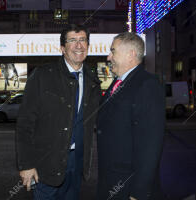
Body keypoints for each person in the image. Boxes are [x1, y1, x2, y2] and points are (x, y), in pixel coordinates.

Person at [16, 24, 101, 200]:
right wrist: (26, 164)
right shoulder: (42, 76)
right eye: (72, 40)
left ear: (88, 46)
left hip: (76, 164)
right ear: (62, 48)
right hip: (45, 165)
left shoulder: (93, 81)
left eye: (83, 40)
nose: (79, 45)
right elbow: (25, 123)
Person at [97, 32, 165, 200]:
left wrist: (138, 192)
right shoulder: (118, 82)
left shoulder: (147, 84)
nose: (108, 56)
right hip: (111, 180)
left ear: (131, 55)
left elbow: (151, 144)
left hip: (128, 185)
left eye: (113, 51)